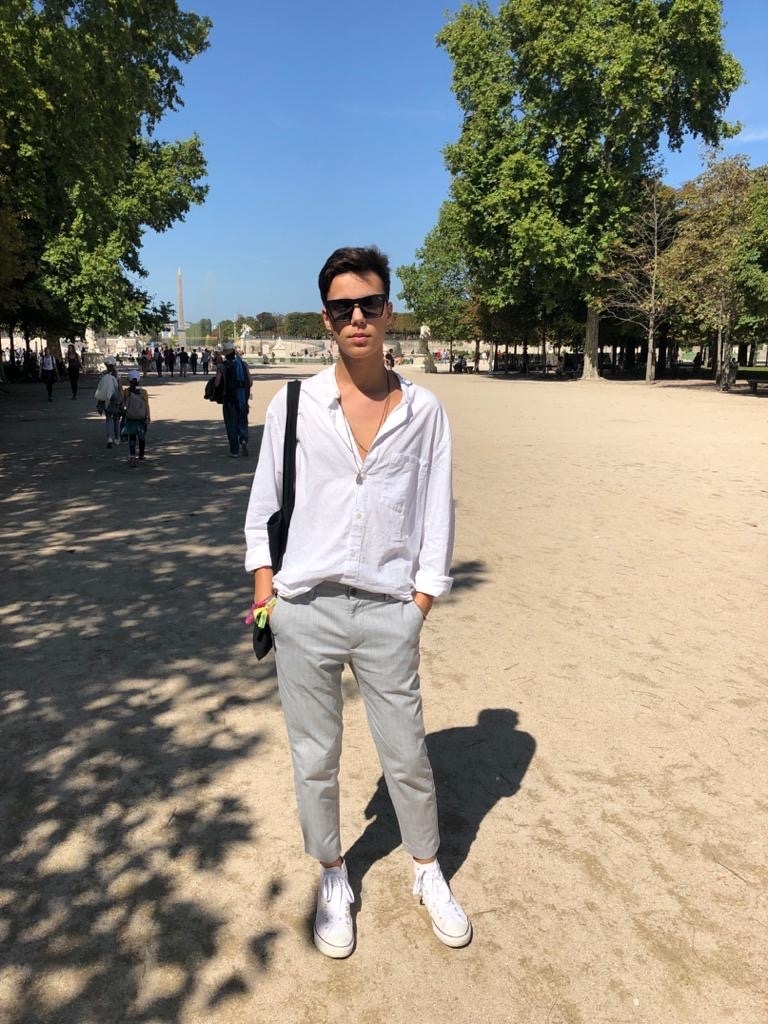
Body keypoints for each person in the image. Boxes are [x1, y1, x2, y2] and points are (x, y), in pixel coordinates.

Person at [243, 245, 471, 959]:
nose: (357, 319)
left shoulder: (424, 411)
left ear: (388, 311)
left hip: (386, 611)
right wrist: (267, 598)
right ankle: (334, 874)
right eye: (342, 308)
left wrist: (421, 600)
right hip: (305, 607)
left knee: (406, 755)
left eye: (369, 304)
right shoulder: (295, 406)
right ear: (326, 319)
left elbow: (437, 510)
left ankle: (427, 868)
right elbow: (263, 510)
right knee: (315, 758)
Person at [215, 340, 252, 457]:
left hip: (229, 397)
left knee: (231, 423)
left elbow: (217, 383)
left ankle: (234, 451)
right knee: (242, 420)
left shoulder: (222, 366)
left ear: (225, 354)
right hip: (242, 397)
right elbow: (250, 382)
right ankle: (243, 440)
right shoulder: (243, 364)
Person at [121, 367, 151, 466]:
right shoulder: (144, 392)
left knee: (132, 437)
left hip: (130, 417)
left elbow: (123, 405)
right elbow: (146, 405)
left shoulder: (126, 392)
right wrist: (148, 416)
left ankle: (132, 455)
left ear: (129, 380)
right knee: (142, 436)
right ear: (139, 380)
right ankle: (141, 455)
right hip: (141, 417)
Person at [96, 357, 123, 448]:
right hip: (115, 398)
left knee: (108, 418)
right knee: (116, 418)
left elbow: (100, 387)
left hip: (106, 399)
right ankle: (117, 437)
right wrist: (122, 399)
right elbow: (120, 388)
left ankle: (109, 438)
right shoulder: (117, 374)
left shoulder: (102, 374)